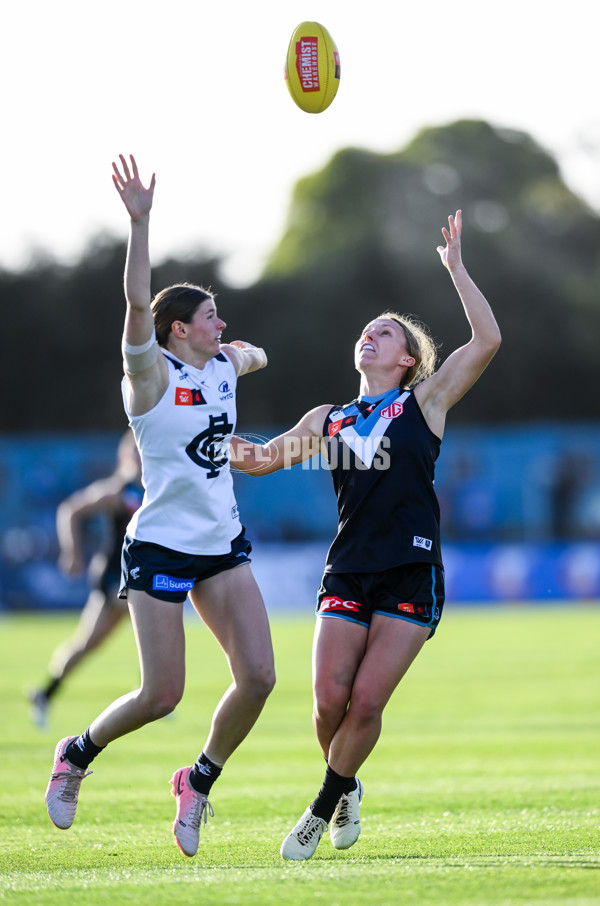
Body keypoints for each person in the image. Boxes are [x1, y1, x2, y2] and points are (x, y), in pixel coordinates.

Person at [230, 210, 501, 860]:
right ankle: (346, 782)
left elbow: (487, 339)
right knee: (329, 702)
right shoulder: (329, 418)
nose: (369, 338)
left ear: (407, 359)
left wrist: (458, 271)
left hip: (411, 570)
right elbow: (264, 459)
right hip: (348, 568)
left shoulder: (425, 402)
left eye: (383, 334)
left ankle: (319, 807)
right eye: (366, 332)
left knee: (368, 705)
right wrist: (210, 440)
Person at [45, 154, 275, 859]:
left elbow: (254, 355)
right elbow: (139, 305)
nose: (220, 321)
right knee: (161, 695)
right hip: (163, 545)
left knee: (260, 677)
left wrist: (242, 354)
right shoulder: (149, 377)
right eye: (210, 316)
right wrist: (140, 224)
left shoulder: (219, 363)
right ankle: (77, 751)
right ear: (179, 330)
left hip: (222, 542)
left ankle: (198, 780)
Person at [29, 430, 143, 729]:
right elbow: (71, 510)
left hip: (136, 578)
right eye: (135, 452)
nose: (141, 458)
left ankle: (45, 693)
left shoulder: (157, 488)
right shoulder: (119, 490)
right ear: (124, 457)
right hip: (115, 579)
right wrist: (72, 552)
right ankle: (152, 688)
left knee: (86, 645)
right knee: (144, 620)